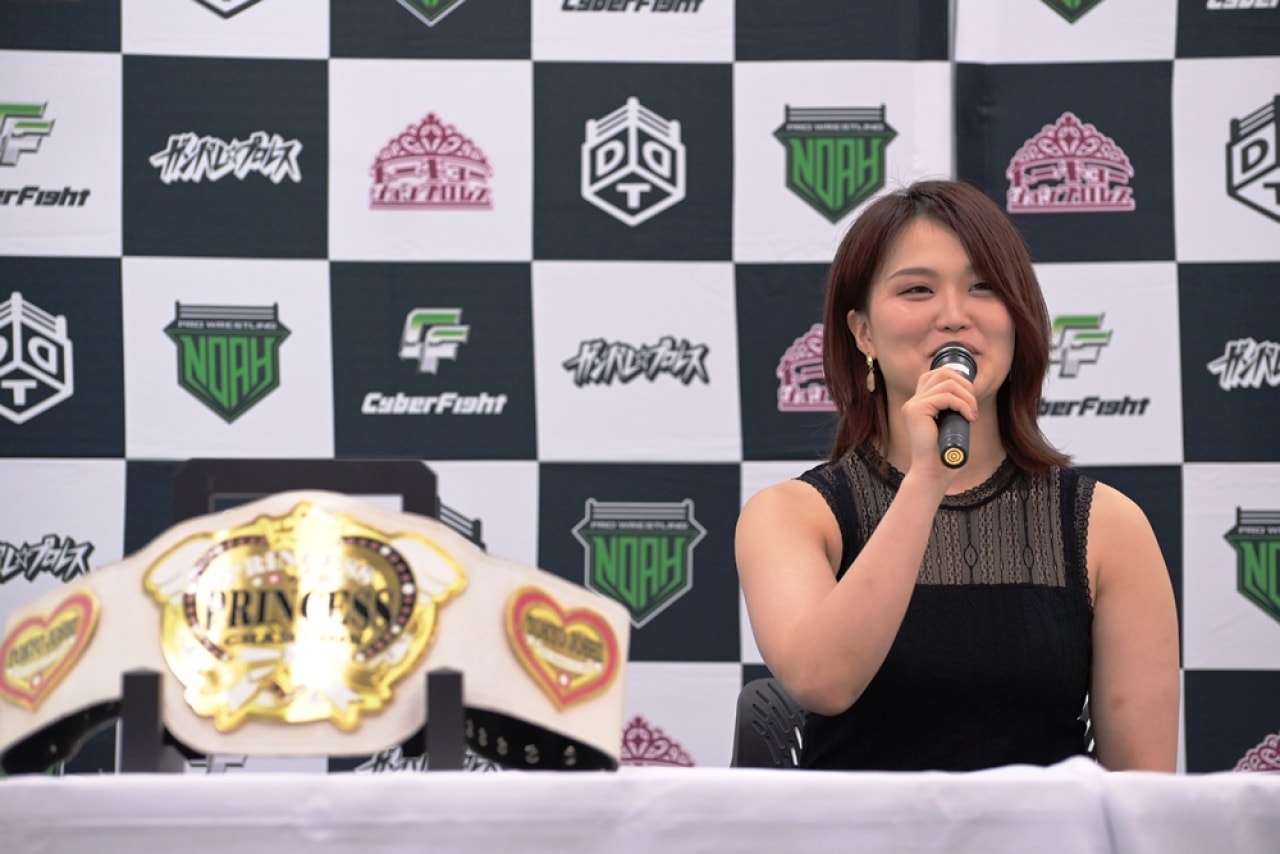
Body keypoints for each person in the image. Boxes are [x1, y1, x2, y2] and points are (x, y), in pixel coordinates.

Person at [735, 179, 1180, 772]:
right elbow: (823, 680)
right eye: (917, 289)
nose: (954, 316)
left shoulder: (1107, 526)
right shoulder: (790, 515)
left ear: (1018, 319)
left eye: (984, 287)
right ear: (863, 332)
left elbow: (1142, 788)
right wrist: (926, 479)